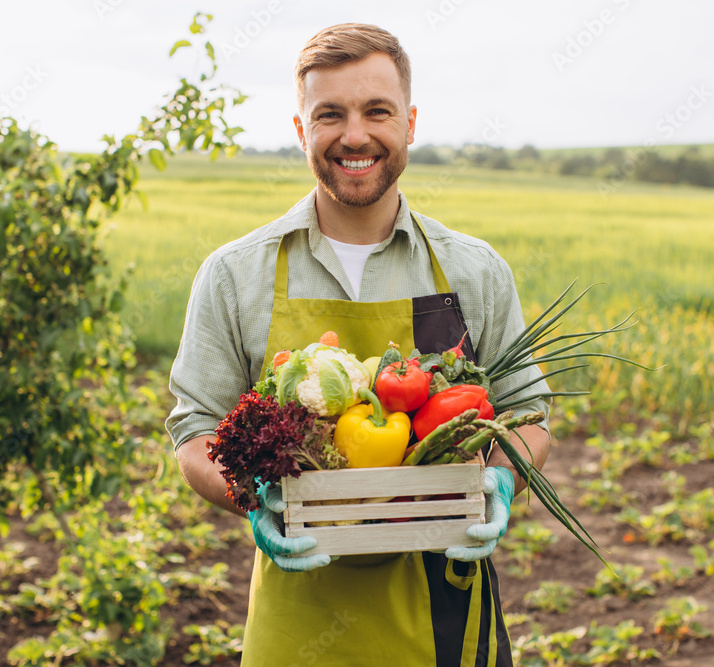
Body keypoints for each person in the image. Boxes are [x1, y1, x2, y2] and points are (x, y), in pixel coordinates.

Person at [167, 23, 551, 666]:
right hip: (299, 619)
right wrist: (250, 498)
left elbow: (529, 414)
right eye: (330, 115)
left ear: (409, 122)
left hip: (446, 611)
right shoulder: (235, 274)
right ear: (300, 130)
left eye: (378, 111)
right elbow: (194, 431)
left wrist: (501, 479)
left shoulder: (474, 270)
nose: (355, 135)